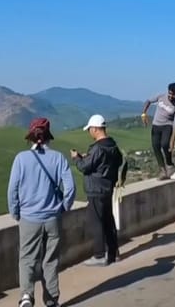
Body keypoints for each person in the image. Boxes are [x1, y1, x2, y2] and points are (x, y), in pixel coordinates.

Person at [7, 118, 76, 307]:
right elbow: (70, 187)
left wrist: (15, 212)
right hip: (53, 218)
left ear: (30, 137)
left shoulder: (21, 159)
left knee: (27, 259)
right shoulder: (59, 158)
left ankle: (26, 296)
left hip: (29, 218)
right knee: (51, 260)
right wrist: (64, 206)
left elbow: (12, 190)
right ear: (48, 137)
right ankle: (52, 299)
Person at [71, 114, 125, 266]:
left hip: (95, 189)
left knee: (96, 222)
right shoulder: (113, 146)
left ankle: (99, 255)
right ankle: (113, 252)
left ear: (95, 129)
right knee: (108, 220)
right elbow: (113, 162)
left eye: (90, 129)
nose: (89, 132)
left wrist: (76, 158)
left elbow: (84, 167)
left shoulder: (97, 148)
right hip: (108, 188)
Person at [141, 82, 175, 180]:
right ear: (168, 91)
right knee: (156, 146)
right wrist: (144, 114)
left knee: (165, 144)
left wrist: (172, 141)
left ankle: (169, 164)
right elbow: (148, 101)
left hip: (167, 126)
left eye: (174, 94)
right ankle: (162, 170)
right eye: (170, 93)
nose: (171, 96)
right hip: (156, 125)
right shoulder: (161, 96)